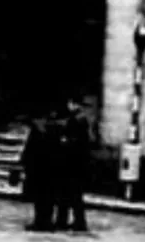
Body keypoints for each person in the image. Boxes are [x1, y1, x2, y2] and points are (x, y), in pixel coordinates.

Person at [54, 97, 91, 233]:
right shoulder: (78, 118)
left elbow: (75, 141)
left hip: (72, 163)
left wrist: (65, 141)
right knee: (70, 195)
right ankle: (67, 221)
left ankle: (73, 222)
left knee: (71, 195)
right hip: (74, 163)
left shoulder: (77, 119)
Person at [21, 109, 58, 232]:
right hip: (49, 169)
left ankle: (40, 222)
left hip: (38, 170)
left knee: (40, 199)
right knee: (47, 199)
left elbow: (29, 150)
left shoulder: (37, 131)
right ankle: (46, 222)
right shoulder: (53, 130)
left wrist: (24, 163)